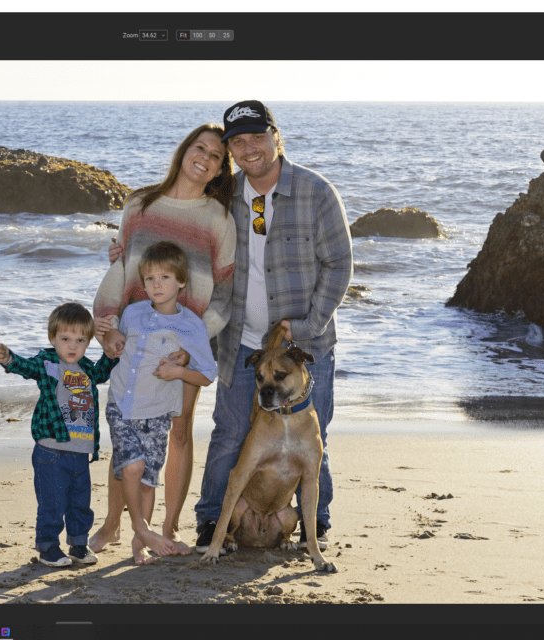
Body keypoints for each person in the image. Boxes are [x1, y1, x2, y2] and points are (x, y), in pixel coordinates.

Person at [194, 100, 353, 553]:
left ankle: (314, 525)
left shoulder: (316, 192)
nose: (249, 148)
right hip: (239, 342)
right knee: (228, 433)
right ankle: (212, 524)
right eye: (238, 141)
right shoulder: (223, 196)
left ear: (276, 137)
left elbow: (340, 264)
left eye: (257, 137)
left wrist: (306, 326)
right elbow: (186, 242)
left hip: (307, 348)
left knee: (313, 438)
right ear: (230, 150)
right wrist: (127, 248)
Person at [89, 124, 236, 553]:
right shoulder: (141, 202)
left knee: (180, 430)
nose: (205, 158)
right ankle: (115, 523)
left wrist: (193, 345)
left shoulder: (218, 218)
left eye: (216, 157)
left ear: (219, 171)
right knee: (128, 432)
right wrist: (108, 323)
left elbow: (225, 291)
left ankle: (168, 527)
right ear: (184, 150)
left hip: (183, 345)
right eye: (200, 148)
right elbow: (124, 266)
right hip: (135, 338)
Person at [100, 241, 218, 565]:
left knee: (148, 481)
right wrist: (109, 340)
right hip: (122, 406)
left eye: (165, 278)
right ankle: (141, 526)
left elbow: (207, 374)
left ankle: (141, 542)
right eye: (150, 279)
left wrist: (178, 371)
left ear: (181, 281)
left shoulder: (190, 324)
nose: (156, 285)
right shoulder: (132, 313)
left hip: (157, 414)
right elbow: (115, 347)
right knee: (133, 467)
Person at [0, 302, 118, 567]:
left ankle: (78, 545)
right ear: (53, 338)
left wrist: (112, 353)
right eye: (65, 339)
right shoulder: (48, 364)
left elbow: (102, 373)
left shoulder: (85, 368)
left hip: (80, 453)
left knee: (80, 503)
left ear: (87, 342)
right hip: (51, 451)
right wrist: (9, 360)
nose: (72, 346)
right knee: (52, 503)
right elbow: (27, 367)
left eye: (80, 340)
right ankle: (48, 547)